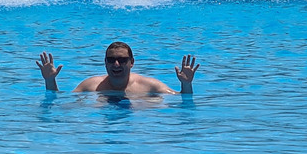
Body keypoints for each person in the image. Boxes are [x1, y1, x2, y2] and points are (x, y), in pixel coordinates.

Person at [37, 41, 198, 95]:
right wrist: (50, 81)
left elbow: (182, 100)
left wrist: (186, 84)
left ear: (132, 62)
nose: (116, 64)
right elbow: (60, 102)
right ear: (105, 62)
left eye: (122, 60)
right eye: (111, 60)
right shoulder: (91, 86)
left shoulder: (150, 86)